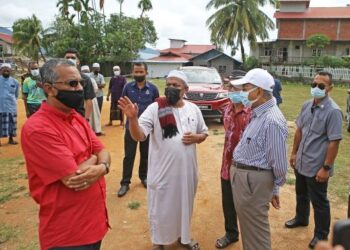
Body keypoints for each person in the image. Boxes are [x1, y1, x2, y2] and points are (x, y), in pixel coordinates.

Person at [21, 59, 111, 250]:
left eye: (81, 83)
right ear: (49, 88)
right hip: (68, 235)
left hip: (94, 225)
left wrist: (102, 166)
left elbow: (103, 150)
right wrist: (97, 160)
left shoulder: (76, 117)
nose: (79, 88)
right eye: (72, 83)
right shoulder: (38, 129)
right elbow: (73, 177)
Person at [118, 70, 208, 250]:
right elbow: (139, 136)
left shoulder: (193, 108)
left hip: (187, 173)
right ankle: (159, 242)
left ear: (186, 89)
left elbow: (204, 132)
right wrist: (133, 119)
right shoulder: (155, 108)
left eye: (176, 85)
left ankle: (184, 237)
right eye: (168, 85)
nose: (171, 88)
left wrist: (197, 138)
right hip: (163, 173)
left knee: (184, 207)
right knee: (161, 209)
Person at [230, 68, 288, 250]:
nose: (242, 92)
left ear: (259, 92)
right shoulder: (258, 113)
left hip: (253, 182)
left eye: (246, 87)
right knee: (249, 229)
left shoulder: (272, 120)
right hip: (247, 180)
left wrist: (275, 188)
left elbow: (279, 163)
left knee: (256, 234)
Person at [285, 71, 343, 249]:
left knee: (319, 202)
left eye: (321, 86)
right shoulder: (306, 105)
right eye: (314, 85)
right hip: (302, 161)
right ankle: (301, 218)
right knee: (301, 193)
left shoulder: (333, 111)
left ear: (329, 88)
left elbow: (334, 142)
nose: (316, 88)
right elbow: (299, 131)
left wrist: (326, 167)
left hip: (317, 166)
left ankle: (321, 235)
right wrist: (294, 153)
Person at [216, 79, 252, 249]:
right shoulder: (227, 109)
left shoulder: (252, 112)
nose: (231, 90)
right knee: (228, 202)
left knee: (246, 204)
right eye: (230, 87)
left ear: (245, 91)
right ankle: (231, 233)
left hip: (246, 168)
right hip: (227, 165)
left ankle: (251, 238)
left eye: (236, 88)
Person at [117, 62, 159, 197]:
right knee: (129, 155)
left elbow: (157, 108)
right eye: (136, 72)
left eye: (141, 72)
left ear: (146, 72)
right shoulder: (127, 87)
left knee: (145, 154)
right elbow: (122, 104)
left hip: (147, 129)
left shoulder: (153, 89)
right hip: (131, 128)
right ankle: (125, 183)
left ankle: (144, 177)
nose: (138, 74)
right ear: (133, 72)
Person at [63, 48, 95, 120]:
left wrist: (86, 119)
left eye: (73, 58)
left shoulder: (85, 79)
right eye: (67, 57)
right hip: (61, 117)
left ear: (78, 61)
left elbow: (89, 100)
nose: (70, 59)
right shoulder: (57, 77)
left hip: (79, 117)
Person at [81, 65, 104, 136]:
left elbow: (96, 89)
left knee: (94, 115)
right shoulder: (80, 80)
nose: (86, 73)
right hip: (86, 101)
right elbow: (96, 90)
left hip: (91, 100)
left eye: (87, 71)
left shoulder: (91, 80)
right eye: (84, 71)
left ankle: (96, 130)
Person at [0, 63, 19, 146]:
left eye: (7, 68)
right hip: (0, 106)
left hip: (11, 107)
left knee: (12, 124)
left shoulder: (15, 82)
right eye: (3, 68)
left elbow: (16, 94)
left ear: (11, 70)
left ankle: (11, 139)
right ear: (0, 71)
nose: (6, 70)